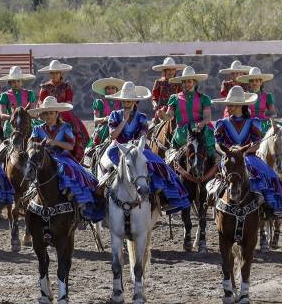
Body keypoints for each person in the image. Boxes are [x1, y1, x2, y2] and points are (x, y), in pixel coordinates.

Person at [101, 82, 191, 214]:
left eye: (129, 101)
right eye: (124, 101)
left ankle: (162, 195)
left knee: (159, 165)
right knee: (106, 165)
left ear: (135, 101)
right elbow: (113, 135)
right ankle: (102, 194)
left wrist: (136, 144)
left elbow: (143, 135)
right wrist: (124, 120)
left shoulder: (141, 117)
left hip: (138, 147)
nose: (126, 103)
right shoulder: (114, 115)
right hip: (118, 148)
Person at [211, 86, 282, 217]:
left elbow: (257, 144)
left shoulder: (253, 122)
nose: (228, 106)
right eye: (228, 103)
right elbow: (218, 144)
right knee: (216, 177)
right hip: (229, 157)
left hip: (249, 156)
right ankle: (214, 200)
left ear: (240, 105)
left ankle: (267, 205)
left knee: (269, 175)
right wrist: (227, 153)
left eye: (231, 104)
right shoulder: (221, 123)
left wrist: (243, 152)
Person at [30, 96, 106, 221]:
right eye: (46, 113)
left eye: (51, 113)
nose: (49, 116)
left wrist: (55, 142)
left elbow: (70, 146)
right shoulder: (37, 129)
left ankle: (77, 201)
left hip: (62, 156)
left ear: (57, 114)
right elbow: (31, 144)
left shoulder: (65, 127)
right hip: (42, 157)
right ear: (42, 115)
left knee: (70, 170)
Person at [37, 59, 91, 160]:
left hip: (64, 112)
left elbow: (69, 102)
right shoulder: (44, 87)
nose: (54, 75)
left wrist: (59, 109)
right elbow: (40, 102)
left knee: (75, 129)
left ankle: (76, 155)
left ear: (60, 73)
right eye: (52, 73)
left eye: (56, 73)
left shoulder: (67, 86)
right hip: (47, 112)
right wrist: (44, 109)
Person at [164, 66, 215, 156]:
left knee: (213, 154)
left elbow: (207, 118)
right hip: (183, 133)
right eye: (184, 82)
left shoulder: (204, 98)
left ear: (194, 82)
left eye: (189, 81)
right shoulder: (174, 98)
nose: (186, 84)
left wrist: (201, 124)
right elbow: (169, 116)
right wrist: (162, 115)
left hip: (201, 131)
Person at [0, 65, 38, 141]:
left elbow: (33, 112)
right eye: (13, 81)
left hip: (28, 122)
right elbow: (2, 115)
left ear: (22, 82)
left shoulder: (30, 94)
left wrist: (24, 117)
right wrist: (13, 117)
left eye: (18, 81)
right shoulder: (4, 96)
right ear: (9, 83)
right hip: (11, 123)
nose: (16, 83)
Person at [89, 77, 124, 149]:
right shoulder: (99, 102)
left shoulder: (121, 103)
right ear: (104, 90)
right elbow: (95, 120)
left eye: (113, 88)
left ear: (116, 90)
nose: (110, 90)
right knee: (106, 129)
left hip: (118, 126)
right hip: (104, 128)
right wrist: (105, 119)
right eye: (108, 88)